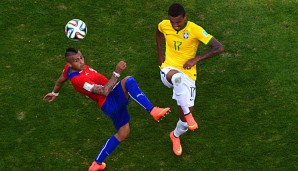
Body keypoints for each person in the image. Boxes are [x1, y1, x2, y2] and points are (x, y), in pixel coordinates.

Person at [43, 48, 170, 170]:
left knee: (123, 133)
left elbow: (60, 81)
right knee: (128, 81)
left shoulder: (67, 70)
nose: (81, 61)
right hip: (110, 99)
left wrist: (54, 93)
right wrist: (117, 73)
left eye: (81, 57)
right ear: (69, 63)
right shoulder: (79, 79)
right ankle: (152, 110)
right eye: (77, 60)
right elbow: (104, 91)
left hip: (108, 107)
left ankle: (96, 164)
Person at [155, 3, 224, 156]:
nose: (175, 25)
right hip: (168, 70)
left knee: (184, 123)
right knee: (177, 78)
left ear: (185, 17)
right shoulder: (164, 25)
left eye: (178, 22)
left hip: (189, 75)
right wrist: (160, 54)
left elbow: (219, 47)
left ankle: (175, 135)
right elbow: (158, 32)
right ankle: (188, 113)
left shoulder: (195, 29)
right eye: (172, 22)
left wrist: (197, 59)